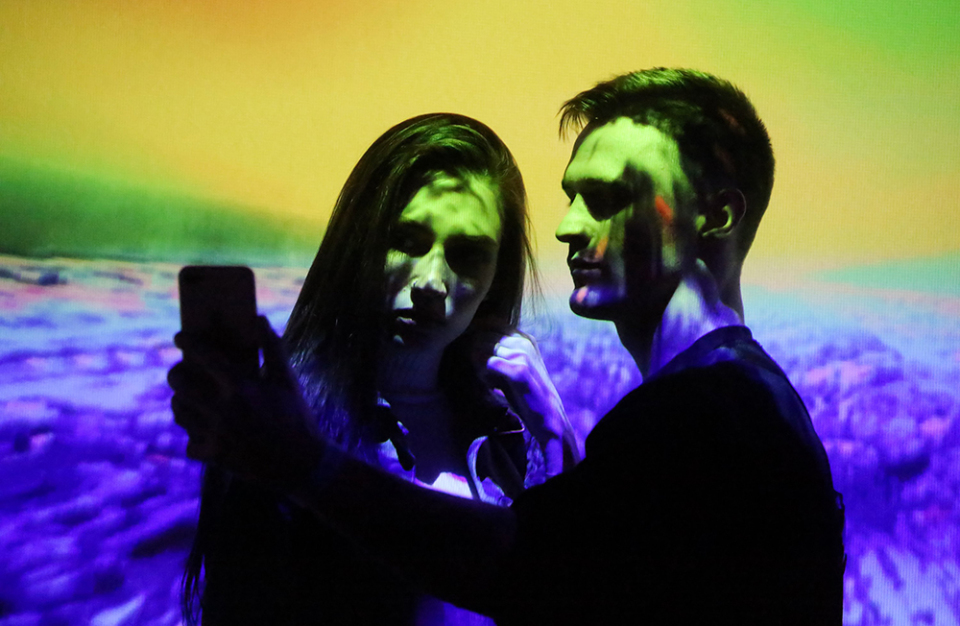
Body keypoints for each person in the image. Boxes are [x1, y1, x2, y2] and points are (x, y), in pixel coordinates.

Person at [171, 69, 845, 625]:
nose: (567, 226)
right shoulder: (734, 403)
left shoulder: (707, 415)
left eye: (608, 198)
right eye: (572, 196)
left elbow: (524, 570)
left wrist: (303, 466)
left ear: (716, 217)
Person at [172, 113, 577, 626]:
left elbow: (568, 588)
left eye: (467, 254)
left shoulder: (508, 430)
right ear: (359, 242)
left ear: (498, 277)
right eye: (406, 240)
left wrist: (557, 434)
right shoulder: (286, 429)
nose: (431, 281)